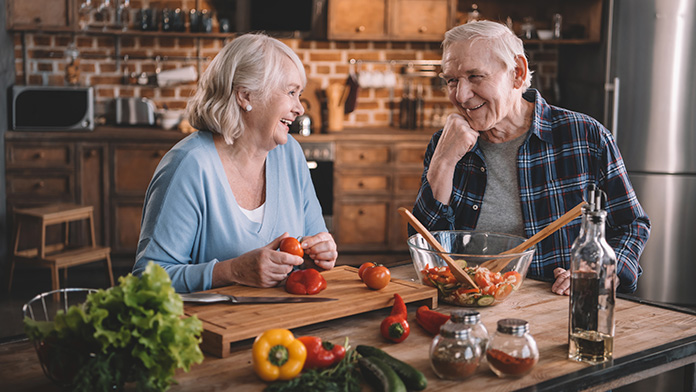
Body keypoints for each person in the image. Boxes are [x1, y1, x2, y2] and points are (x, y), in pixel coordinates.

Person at [411, 20, 650, 295]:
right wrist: (443, 161)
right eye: (451, 80)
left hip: (558, 307)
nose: (461, 96)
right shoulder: (445, 144)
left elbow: (632, 224)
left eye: (475, 76)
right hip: (468, 304)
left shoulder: (585, 137)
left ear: (517, 73)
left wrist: (602, 271)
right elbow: (425, 248)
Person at [133, 33, 337, 293]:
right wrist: (232, 271)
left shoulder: (290, 154)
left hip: (283, 326)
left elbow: (314, 243)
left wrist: (320, 253)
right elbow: (146, 281)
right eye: (291, 92)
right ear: (245, 96)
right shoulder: (189, 165)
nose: (300, 108)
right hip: (210, 328)